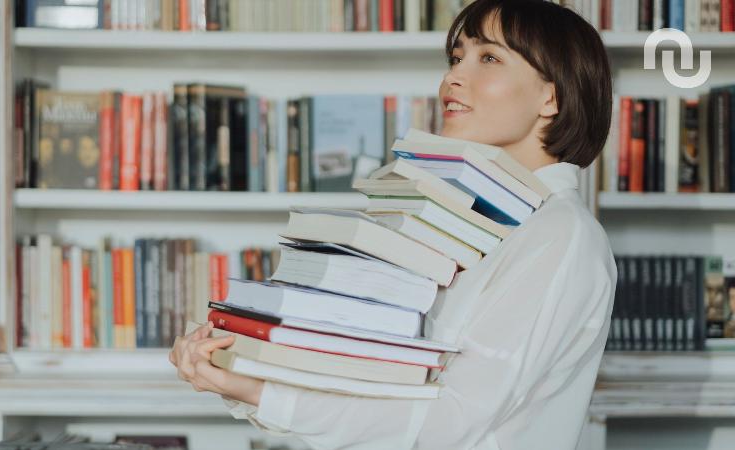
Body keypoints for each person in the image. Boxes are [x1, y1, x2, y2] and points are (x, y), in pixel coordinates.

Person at [168, 0, 617, 448]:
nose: (453, 77)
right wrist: (237, 368)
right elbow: (380, 388)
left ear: (551, 96)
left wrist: (258, 392)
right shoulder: (466, 219)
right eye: (457, 58)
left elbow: (451, 421)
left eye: (489, 58)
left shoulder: (561, 235)